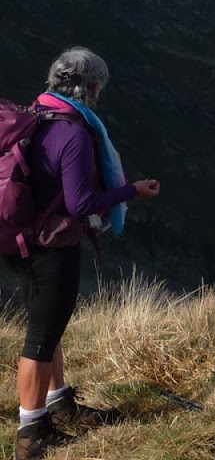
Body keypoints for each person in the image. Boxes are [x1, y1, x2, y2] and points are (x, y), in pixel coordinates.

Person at [5, 47, 161, 460]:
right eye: (99, 88)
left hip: (19, 240)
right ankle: (31, 433)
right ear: (91, 88)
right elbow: (80, 204)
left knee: (47, 327)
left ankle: (59, 404)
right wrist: (132, 191)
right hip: (51, 248)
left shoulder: (35, 113)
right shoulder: (73, 133)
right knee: (40, 338)